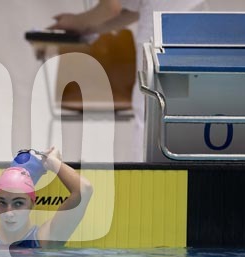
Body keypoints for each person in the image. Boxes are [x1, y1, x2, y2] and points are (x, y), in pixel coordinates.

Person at [49, 0, 208, 161]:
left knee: (150, 119)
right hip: (188, 31)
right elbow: (135, 8)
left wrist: (77, 21)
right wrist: (91, 28)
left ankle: (149, 174)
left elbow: (111, 7)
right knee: (173, 120)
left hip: (161, 39)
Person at [0, 146, 93, 249]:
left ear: (32, 203)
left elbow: (84, 190)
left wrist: (53, 162)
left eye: (18, 204)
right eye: (2, 203)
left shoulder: (44, 239)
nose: (9, 213)